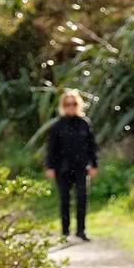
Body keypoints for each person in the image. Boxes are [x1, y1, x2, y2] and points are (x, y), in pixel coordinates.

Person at [44, 88, 99, 241]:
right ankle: (65, 232)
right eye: (67, 104)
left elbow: (92, 146)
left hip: (81, 167)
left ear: (78, 104)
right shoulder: (57, 126)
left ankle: (81, 230)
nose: (71, 106)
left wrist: (94, 164)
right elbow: (51, 149)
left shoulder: (84, 123)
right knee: (65, 199)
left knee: (82, 198)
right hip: (63, 168)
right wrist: (50, 167)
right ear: (63, 105)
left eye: (73, 103)